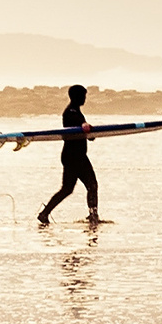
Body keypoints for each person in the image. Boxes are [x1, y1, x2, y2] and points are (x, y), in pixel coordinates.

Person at [37, 84, 99, 225]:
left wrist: (90, 133)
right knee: (91, 185)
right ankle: (93, 216)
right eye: (83, 96)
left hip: (74, 156)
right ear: (76, 97)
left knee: (68, 189)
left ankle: (44, 213)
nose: (84, 98)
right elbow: (78, 123)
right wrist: (84, 125)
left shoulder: (76, 111)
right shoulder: (70, 112)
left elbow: (84, 131)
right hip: (74, 157)